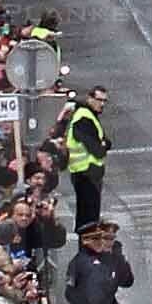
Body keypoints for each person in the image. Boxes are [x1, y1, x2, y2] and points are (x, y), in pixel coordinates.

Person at [62, 86, 110, 232]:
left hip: (86, 172)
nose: (102, 104)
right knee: (88, 219)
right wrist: (102, 145)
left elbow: (106, 142)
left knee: (88, 217)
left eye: (104, 101)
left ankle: (88, 246)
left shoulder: (87, 115)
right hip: (86, 172)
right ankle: (86, 249)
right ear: (90, 99)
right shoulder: (84, 118)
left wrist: (104, 143)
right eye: (99, 100)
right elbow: (97, 150)